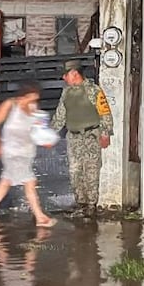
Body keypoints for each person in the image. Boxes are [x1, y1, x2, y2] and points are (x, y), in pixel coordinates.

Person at [0, 81, 57, 228]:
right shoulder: (10, 105)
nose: (34, 100)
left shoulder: (34, 109)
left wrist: (45, 140)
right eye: (32, 96)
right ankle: (40, 217)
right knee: (29, 181)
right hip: (12, 151)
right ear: (24, 95)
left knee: (6, 181)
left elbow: (38, 131)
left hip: (27, 151)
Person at [49, 61, 113, 217]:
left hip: (91, 136)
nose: (64, 78)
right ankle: (81, 203)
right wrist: (50, 134)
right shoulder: (66, 93)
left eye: (66, 74)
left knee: (91, 171)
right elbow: (60, 116)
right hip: (73, 137)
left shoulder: (93, 90)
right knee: (75, 172)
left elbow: (104, 113)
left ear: (74, 73)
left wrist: (105, 133)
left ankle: (91, 205)